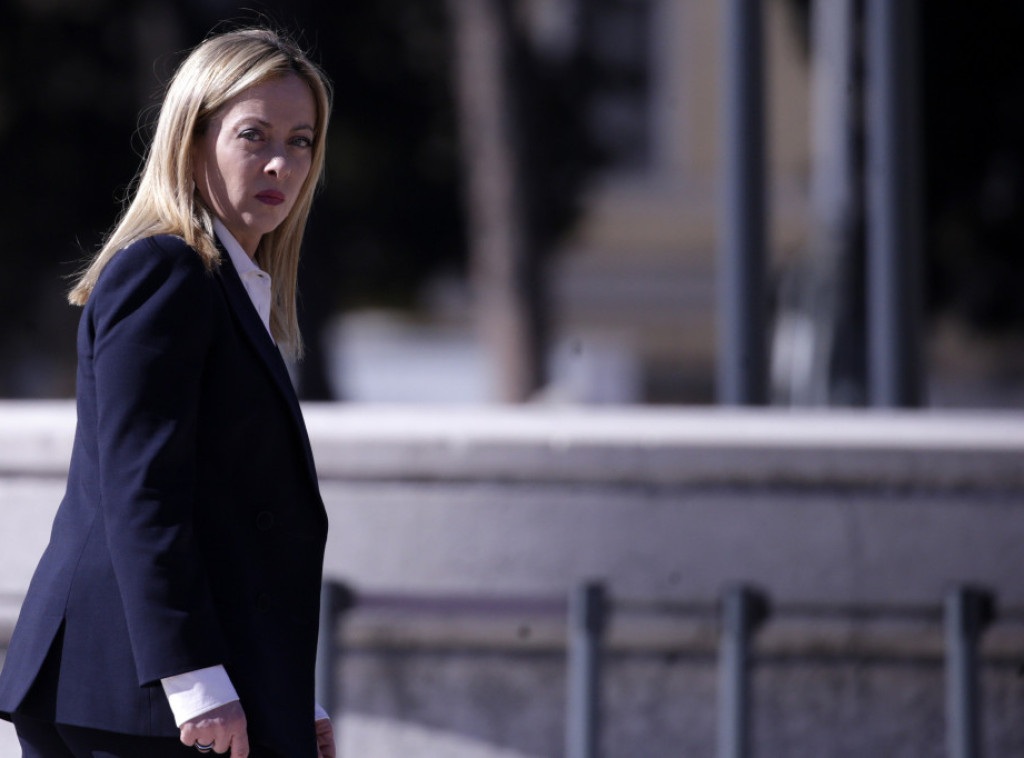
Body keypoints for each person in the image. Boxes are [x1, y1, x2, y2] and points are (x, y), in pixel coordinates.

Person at [0, 27, 335, 758]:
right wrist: (194, 681)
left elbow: (227, 518)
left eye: (302, 141)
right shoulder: (166, 270)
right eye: (253, 135)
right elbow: (142, 492)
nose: (281, 163)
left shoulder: (225, 284)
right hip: (138, 698)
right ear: (191, 139)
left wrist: (286, 694)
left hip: (165, 692)